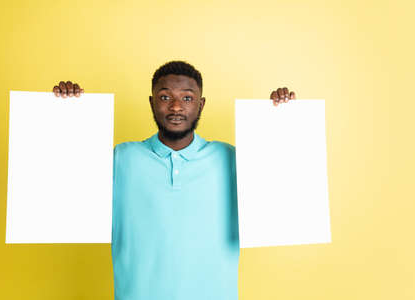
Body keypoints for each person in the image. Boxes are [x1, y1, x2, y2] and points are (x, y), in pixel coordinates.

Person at [53, 61, 296, 300]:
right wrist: (67, 112)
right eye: (165, 97)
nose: (177, 107)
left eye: (187, 98)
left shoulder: (231, 159)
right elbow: (62, 185)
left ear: (200, 105)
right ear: (152, 102)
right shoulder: (121, 158)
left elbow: (284, 184)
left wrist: (280, 117)